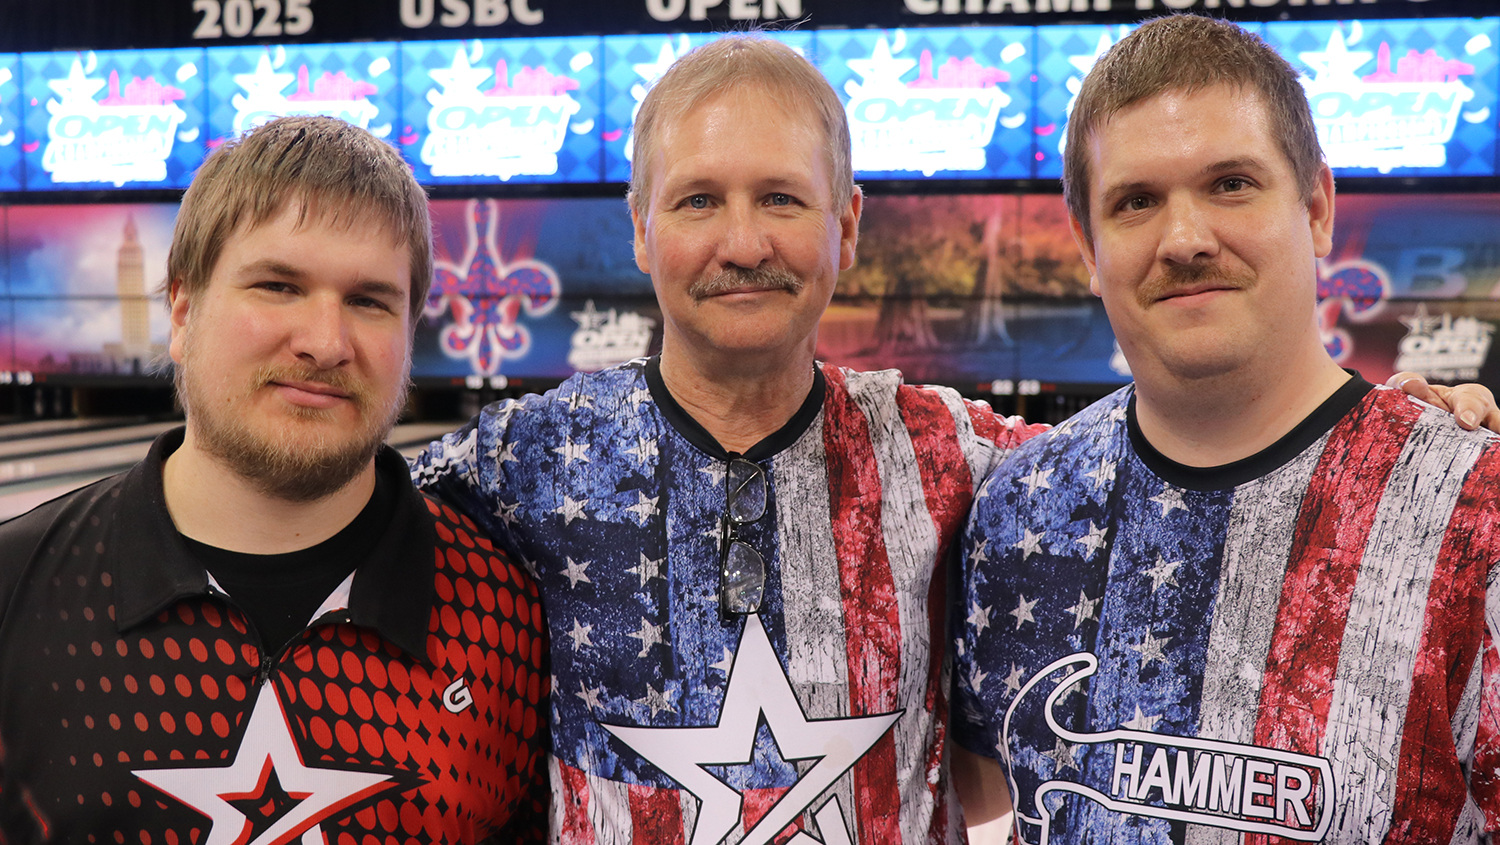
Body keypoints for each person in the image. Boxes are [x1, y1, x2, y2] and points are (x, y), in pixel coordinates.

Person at [410, 33, 1497, 844]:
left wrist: (1402, 440)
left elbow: (1221, 459)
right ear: (641, 228)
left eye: (781, 197)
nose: (742, 241)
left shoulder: (968, 463)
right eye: (698, 200)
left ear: (846, 224)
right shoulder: (517, 462)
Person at [952, 14, 1500, 844]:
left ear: (1317, 207)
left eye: (1231, 184)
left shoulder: (1476, 513)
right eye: (1136, 201)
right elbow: (974, 787)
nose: (1185, 240)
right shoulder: (1019, 504)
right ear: (1088, 248)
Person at [0, 116, 548, 843]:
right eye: (278, 285)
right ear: (183, 311)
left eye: (369, 300)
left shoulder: (511, 616)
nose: (325, 342)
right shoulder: (14, 586)